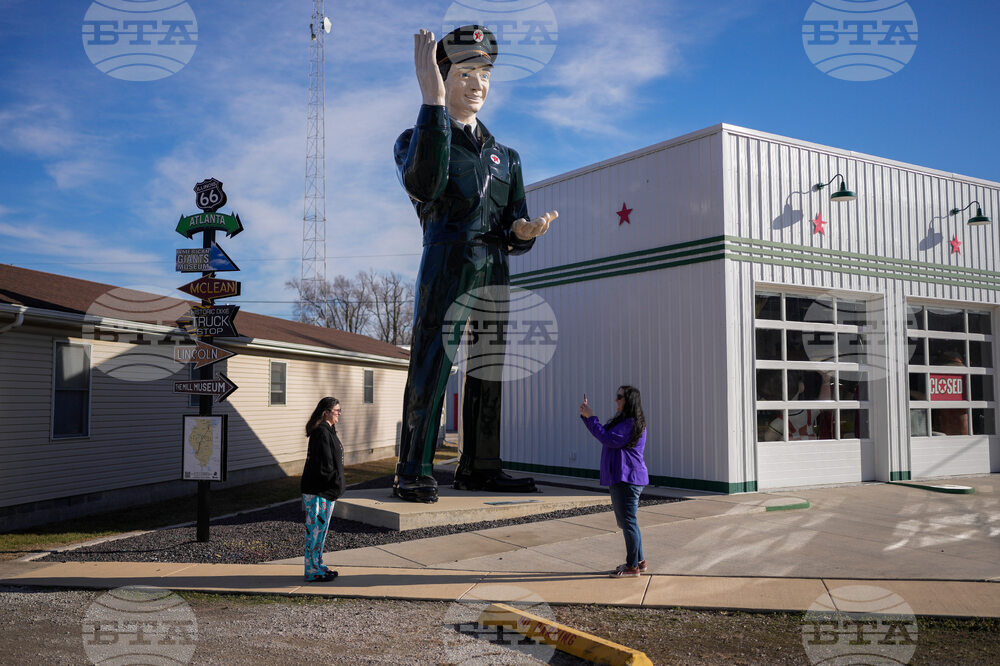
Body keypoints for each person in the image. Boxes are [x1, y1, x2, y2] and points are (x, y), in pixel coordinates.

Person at [391, 25, 559, 503]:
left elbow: (513, 223)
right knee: (432, 364)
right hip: (447, 261)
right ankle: (414, 468)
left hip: (494, 267)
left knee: (488, 368)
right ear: (442, 76)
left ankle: (481, 466)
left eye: (484, 75)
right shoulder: (416, 138)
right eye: (464, 74)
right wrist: (431, 104)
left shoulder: (507, 157)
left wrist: (522, 233)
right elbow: (423, 185)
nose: (477, 84)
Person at [579, 386, 650, 577]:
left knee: (628, 522)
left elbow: (608, 439)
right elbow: (603, 434)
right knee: (629, 522)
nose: (616, 400)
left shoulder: (630, 423)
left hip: (627, 478)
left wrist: (591, 417)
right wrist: (587, 418)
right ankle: (639, 562)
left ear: (629, 400)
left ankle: (632, 567)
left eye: (619, 397)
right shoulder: (626, 421)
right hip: (624, 477)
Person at [300, 397, 345, 582]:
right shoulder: (321, 432)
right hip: (318, 491)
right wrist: (335, 484)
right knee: (314, 532)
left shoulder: (329, 430)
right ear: (326, 412)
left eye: (340, 410)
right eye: (336, 411)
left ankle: (317, 564)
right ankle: (311, 571)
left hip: (327, 491)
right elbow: (324, 466)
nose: (339, 414)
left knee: (321, 532)